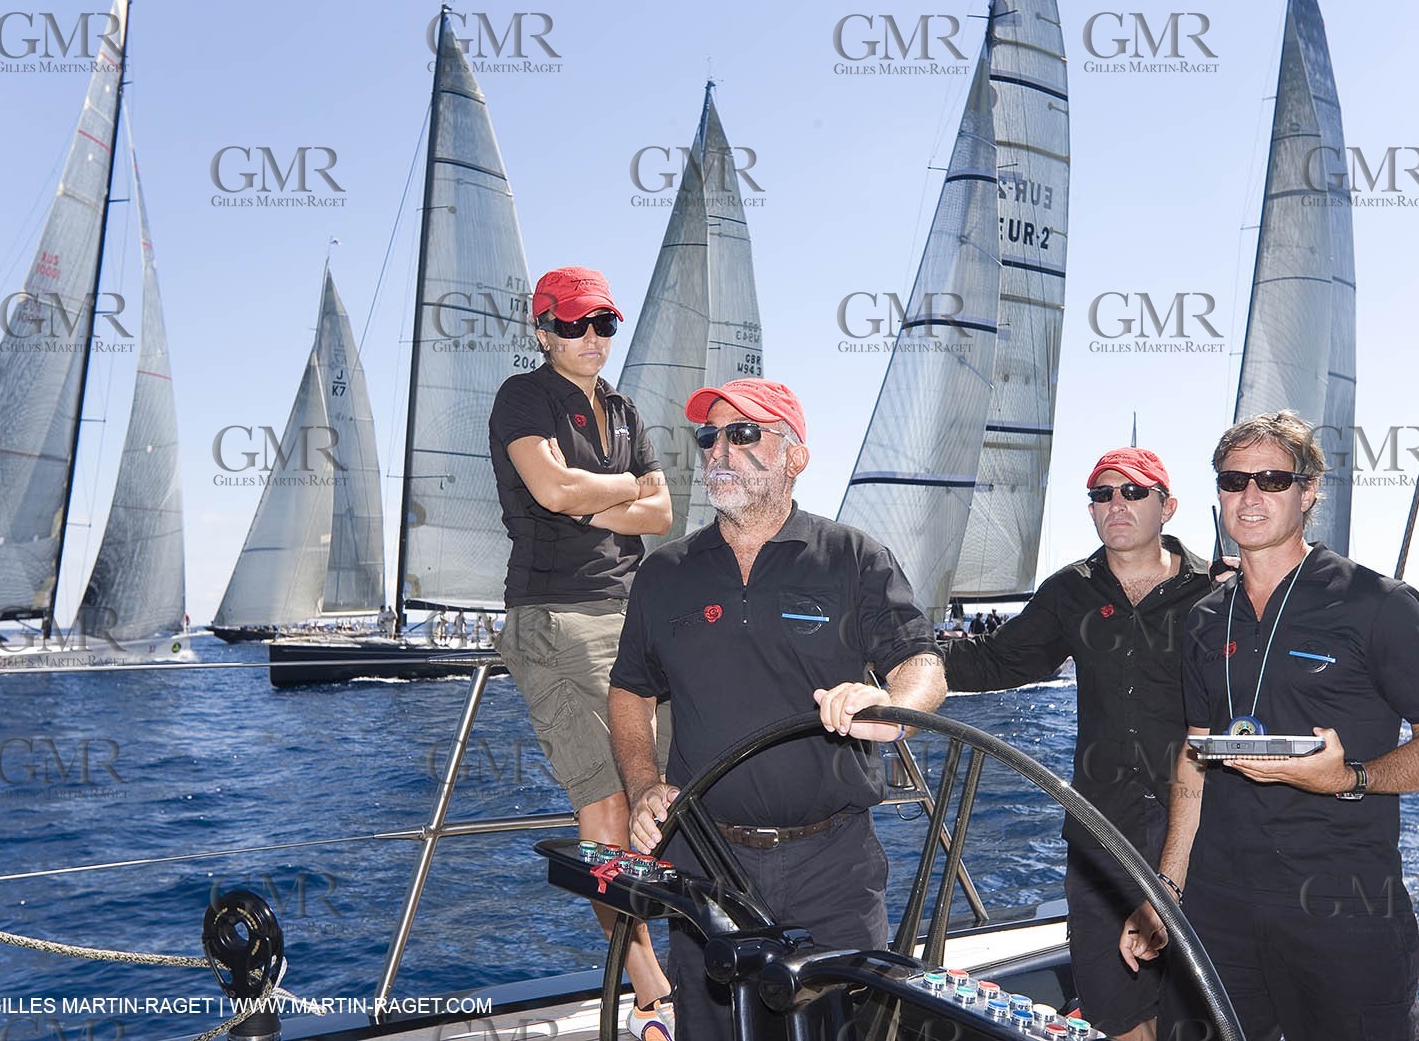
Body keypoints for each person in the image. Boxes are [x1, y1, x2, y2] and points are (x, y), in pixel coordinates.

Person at [608, 378, 947, 1041]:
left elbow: (924, 665)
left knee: (844, 1030)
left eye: (743, 434)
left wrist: (891, 705)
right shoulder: (664, 573)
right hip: (706, 862)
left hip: (834, 863)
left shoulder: (853, 557)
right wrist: (644, 783)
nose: (720, 451)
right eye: (709, 437)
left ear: (795, 456)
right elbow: (629, 689)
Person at [1120, 411, 1419, 1041]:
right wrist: (1167, 885)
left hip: (1343, 910)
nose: (1250, 496)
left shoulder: (1378, 604)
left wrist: (1350, 777)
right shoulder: (1204, 618)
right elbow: (1194, 757)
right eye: (1234, 481)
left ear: (1308, 493)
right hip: (1219, 905)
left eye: (1273, 481)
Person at [944, 448, 1212, 1041]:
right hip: (1102, 827)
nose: (1116, 504)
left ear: (1166, 506)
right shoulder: (1071, 591)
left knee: (1199, 1006)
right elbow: (995, 660)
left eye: (1133, 493)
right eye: (1102, 495)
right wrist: (900, 658)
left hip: (1199, 830)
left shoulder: (1215, 591)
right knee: (1110, 1003)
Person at [489, 265, 676, 1039]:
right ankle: (648, 986)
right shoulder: (521, 397)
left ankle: (667, 959)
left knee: (656, 795)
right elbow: (552, 492)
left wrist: (597, 491)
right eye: (573, 325)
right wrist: (621, 489)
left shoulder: (626, 408)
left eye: (602, 323)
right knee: (604, 810)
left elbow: (661, 513)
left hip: (633, 618)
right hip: (555, 621)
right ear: (542, 330)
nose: (591, 337)